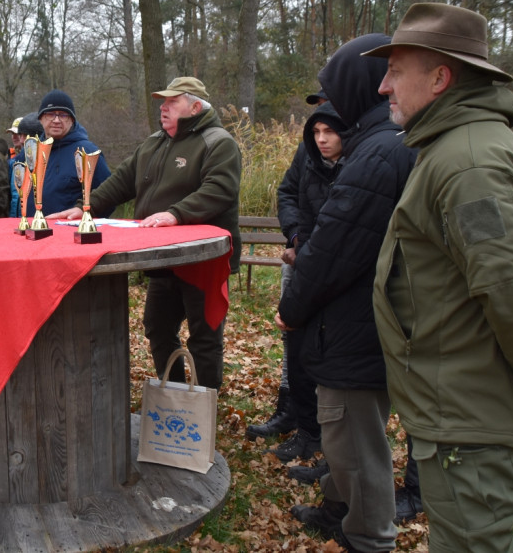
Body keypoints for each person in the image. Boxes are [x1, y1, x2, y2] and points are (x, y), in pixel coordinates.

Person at [367, 3, 513, 553]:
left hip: (469, 423)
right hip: (458, 411)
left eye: (396, 70)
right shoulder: (452, 149)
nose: (384, 86)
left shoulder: (469, 166)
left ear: (440, 78)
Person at [276, 34, 415, 552]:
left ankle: (368, 536)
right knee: (345, 433)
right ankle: (338, 506)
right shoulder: (380, 144)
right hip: (359, 320)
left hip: (356, 327)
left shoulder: (376, 156)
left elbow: (333, 250)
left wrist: (292, 309)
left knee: (353, 435)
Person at [49, 77, 242, 390]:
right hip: (163, 259)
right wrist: (86, 207)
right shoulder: (154, 142)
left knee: (204, 335)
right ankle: (176, 392)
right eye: (162, 102)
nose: (163, 108)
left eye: (171, 102)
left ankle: (206, 403)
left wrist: (176, 213)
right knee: (157, 326)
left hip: (203, 259)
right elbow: (122, 181)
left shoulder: (219, 142)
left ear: (195, 106)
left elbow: (220, 190)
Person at [246, 90, 327, 443]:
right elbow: (288, 192)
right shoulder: (309, 147)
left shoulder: (363, 150)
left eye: (329, 105)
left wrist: (315, 248)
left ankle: (320, 425)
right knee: (290, 337)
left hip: (332, 264)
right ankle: (289, 409)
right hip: (298, 258)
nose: (322, 119)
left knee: (323, 343)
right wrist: (295, 239)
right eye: (319, 110)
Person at [18, 90, 112, 217]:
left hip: (70, 232)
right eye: (50, 114)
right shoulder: (30, 151)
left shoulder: (88, 152)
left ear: (72, 120)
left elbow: (107, 198)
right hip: (31, 229)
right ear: (40, 118)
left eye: (63, 115)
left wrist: (85, 221)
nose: (56, 120)